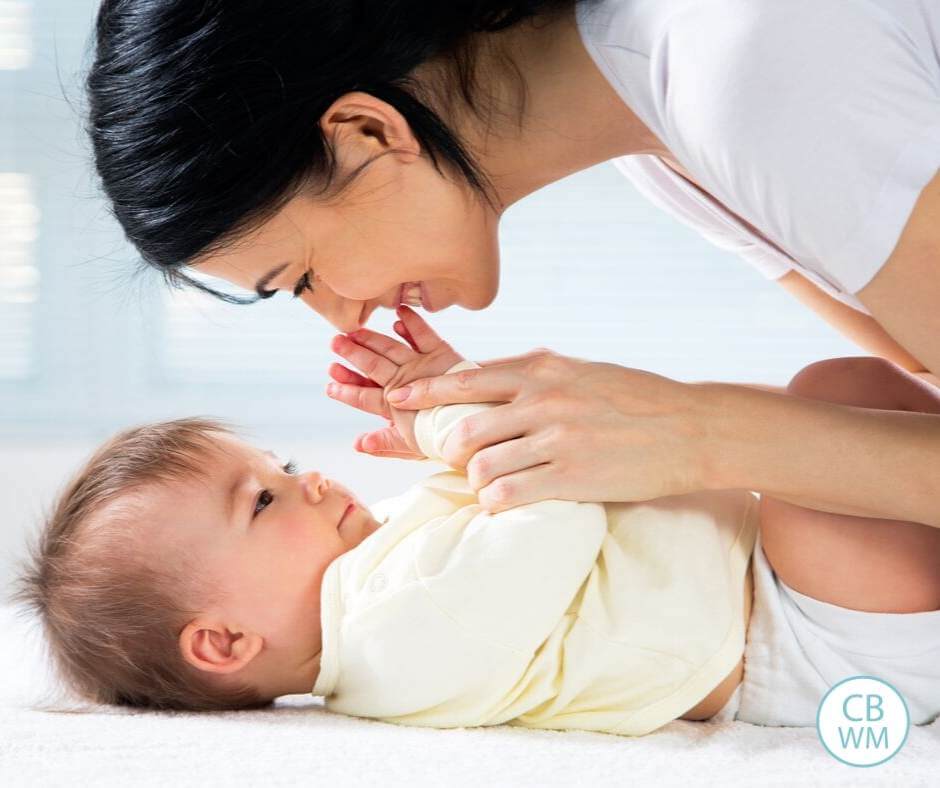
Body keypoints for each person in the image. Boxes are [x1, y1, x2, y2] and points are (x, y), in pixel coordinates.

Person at [84, 3, 940, 532]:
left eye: (300, 275)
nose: (342, 318)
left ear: (367, 135)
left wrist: (692, 431)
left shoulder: (744, 75)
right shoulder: (664, 138)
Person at [13, 307, 940, 729]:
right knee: (839, 395)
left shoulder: (377, 564)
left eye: (285, 468)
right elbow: (552, 502)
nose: (314, 483)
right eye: (263, 501)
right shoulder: (392, 645)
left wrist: (450, 402)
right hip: (801, 641)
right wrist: (460, 424)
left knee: (840, 403)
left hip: (779, 582)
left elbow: (502, 480)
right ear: (222, 642)